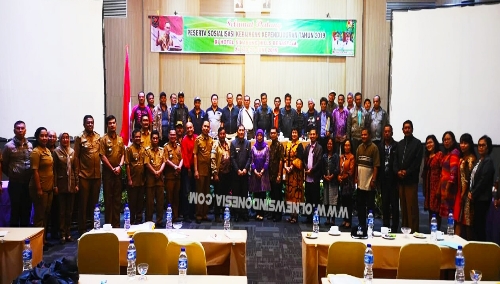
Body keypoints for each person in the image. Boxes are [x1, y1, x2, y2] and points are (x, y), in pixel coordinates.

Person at [2, 121, 33, 227]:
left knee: (26, 211)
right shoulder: (8, 146)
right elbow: (4, 165)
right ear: (14, 130)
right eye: (18, 128)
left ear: (25, 130)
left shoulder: (30, 145)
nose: (20, 130)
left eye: (22, 128)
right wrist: (13, 174)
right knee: (15, 211)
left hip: (27, 184)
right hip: (15, 184)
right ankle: (14, 238)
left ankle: (25, 238)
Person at [393, 120, 422, 234]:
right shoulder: (399, 144)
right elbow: (395, 161)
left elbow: (417, 162)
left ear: (412, 129)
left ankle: (414, 231)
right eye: (405, 128)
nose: (407, 129)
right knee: (403, 208)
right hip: (401, 181)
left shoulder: (417, 144)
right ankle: (405, 231)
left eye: (409, 128)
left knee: (412, 208)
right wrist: (397, 172)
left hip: (411, 181)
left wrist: (407, 172)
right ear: (402, 130)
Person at [74, 115, 101, 235]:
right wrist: (77, 174)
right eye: (88, 123)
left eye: (92, 122)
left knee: (94, 204)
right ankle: (82, 229)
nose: (90, 124)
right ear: (84, 124)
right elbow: (76, 157)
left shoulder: (98, 137)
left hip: (96, 176)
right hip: (84, 175)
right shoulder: (79, 138)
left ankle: (94, 227)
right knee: (83, 204)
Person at [29, 127, 55, 248]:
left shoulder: (47, 150)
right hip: (40, 189)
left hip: (49, 188)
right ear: (37, 137)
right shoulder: (36, 152)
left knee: (46, 215)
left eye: (46, 136)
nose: (45, 138)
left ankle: (43, 240)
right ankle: (37, 244)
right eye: (42, 136)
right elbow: (35, 172)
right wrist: (39, 189)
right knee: (39, 217)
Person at [99, 115, 125, 228]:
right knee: (108, 200)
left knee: (117, 200)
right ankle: (108, 225)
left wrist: (119, 166)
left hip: (118, 174)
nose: (112, 125)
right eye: (110, 123)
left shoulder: (120, 139)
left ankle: (117, 224)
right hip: (108, 174)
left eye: (114, 123)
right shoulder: (103, 139)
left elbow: (123, 155)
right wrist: (112, 168)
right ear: (107, 125)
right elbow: (102, 156)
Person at [53, 132, 78, 244]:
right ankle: (62, 234)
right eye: (63, 138)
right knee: (61, 211)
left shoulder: (72, 151)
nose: (65, 140)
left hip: (71, 184)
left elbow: (75, 169)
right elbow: (54, 170)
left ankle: (68, 233)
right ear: (60, 139)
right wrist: (55, 185)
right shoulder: (56, 152)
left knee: (70, 211)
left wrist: (77, 183)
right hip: (61, 184)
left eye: (67, 138)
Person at [469, 135, 495, 241]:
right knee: (476, 226)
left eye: (483, 145)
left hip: (482, 199)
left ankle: (481, 251)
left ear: (488, 147)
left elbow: (483, 181)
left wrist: (473, 193)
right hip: (477, 198)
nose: (480, 147)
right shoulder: (480, 160)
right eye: (479, 145)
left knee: (480, 226)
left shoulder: (488, 161)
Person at [354, 128, 380, 228]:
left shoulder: (374, 148)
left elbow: (376, 166)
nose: (363, 137)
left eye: (365, 135)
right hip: (360, 182)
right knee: (360, 206)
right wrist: (356, 177)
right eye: (362, 135)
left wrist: (373, 179)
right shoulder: (359, 148)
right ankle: (361, 224)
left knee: (370, 207)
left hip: (369, 183)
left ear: (369, 136)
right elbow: (357, 164)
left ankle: (370, 226)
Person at [378, 125, 399, 232]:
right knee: (385, 204)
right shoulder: (380, 146)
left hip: (394, 179)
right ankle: (385, 226)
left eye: (388, 131)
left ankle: (395, 227)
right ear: (383, 133)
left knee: (394, 204)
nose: (387, 133)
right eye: (385, 131)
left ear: (392, 133)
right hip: (383, 179)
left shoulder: (397, 146)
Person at [456, 133, 476, 240]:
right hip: (460, 191)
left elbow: (469, 179)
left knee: (467, 221)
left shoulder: (471, 159)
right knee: (460, 219)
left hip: (466, 194)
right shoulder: (463, 157)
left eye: (465, 143)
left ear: (470, 144)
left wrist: (463, 194)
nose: (463, 145)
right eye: (461, 143)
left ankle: (469, 245)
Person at [194, 121, 214, 223]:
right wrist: (196, 170)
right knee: (199, 193)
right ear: (202, 127)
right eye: (205, 126)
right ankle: (198, 215)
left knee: (207, 193)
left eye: (208, 127)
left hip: (208, 170)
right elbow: (195, 155)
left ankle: (205, 214)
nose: (206, 128)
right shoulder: (197, 140)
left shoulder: (211, 140)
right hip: (200, 171)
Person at [125, 129, 146, 225]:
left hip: (141, 180)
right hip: (132, 180)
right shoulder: (129, 149)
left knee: (140, 203)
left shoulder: (143, 149)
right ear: (133, 138)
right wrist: (129, 179)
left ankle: (139, 221)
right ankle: (132, 221)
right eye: (136, 137)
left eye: (139, 136)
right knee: (132, 203)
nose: (138, 138)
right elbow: (127, 165)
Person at [230, 125, 251, 222]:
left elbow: (249, 158)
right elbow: (232, 158)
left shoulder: (248, 143)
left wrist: (246, 169)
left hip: (245, 173)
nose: (241, 132)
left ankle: (244, 213)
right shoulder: (233, 143)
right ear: (237, 132)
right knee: (236, 194)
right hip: (236, 174)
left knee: (244, 194)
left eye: (243, 130)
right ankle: (237, 214)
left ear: (244, 132)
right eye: (240, 130)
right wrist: (237, 169)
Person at [249, 129, 271, 221]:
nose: (259, 137)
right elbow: (251, 160)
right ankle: (257, 212)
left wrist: (261, 171)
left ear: (263, 136)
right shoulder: (253, 148)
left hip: (263, 174)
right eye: (258, 135)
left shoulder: (266, 147)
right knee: (256, 194)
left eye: (261, 135)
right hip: (255, 174)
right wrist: (255, 171)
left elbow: (267, 160)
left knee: (262, 194)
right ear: (256, 136)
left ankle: (261, 213)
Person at [439, 131, 460, 225]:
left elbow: (453, 173)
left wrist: (447, 189)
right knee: (448, 218)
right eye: (444, 140)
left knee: (452, 217)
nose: (446, 141)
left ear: (453, 140)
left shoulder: (454, 153)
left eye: (448, 139)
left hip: (450, 190)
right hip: (444, 189)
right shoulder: (447, 154)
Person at [284, 128, 304, 224]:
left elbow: (300, 159)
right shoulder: (288, 144)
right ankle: (291, 215)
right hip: (288, 174)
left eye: (296, 132)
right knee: (289, 195)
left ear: (298, 134)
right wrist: (285, 167)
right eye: (293, 132)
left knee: (295, 195)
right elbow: (284, 157)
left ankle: (295, 216)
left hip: (296, 174)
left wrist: (291, 168)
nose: (294, 134)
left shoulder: (300, 145)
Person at [145, 131, 165, 225]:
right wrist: (155, 172)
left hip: (160, 179)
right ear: (151, 139)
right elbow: (147, 163)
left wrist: (159, 172)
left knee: (160, 202)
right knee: (149, 202)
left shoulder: (162, 150)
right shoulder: (147, 151)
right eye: (154, 138)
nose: (155, 140)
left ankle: (159, 220)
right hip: (150, 180)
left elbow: (164, 162)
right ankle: (149, 221)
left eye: (157, 138)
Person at [211, 127, 231, 222]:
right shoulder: (215, 145)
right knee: (218, 195)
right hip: (219, 174)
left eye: (224, 133)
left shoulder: (228, 144)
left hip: (227, 174)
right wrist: (215, 173)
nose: (222, 135)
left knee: (225, 195)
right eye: (221, 134)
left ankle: (224, 213)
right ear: (218, 135)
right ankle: (217, 215)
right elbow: (213, 160)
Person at [422, 135, 442, 230]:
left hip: (436, 187)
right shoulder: (427, 157)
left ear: (435, 143)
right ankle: (432, 232)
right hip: (428, 187)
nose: (429, 145)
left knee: (436, 211)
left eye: (431, 142)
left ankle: (437, 232)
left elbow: (443, 173)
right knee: (430, 211)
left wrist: (439, 189)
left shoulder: (439, 155)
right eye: (427, 143)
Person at [303, 128, 323, 224]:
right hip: (307, 177)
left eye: (314, 134)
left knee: (315, 198)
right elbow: (304, 160)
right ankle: (308, 217)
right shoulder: (307, 147)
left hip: (315, 177)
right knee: (308, 198)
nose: (312, 136)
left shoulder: (319, 148)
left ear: (317, 135)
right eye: (310, 134)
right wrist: (307, 168)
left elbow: (319, 162)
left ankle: (316, 217)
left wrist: (312, 170)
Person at [164, 129, 183, 222]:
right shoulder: (166, 147)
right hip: (169, 177)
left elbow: (182, 158)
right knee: (169, 198)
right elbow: (166, 160)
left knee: (176, 197)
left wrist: (179, 167)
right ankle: (169, 217)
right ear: (168, 136)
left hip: (177, 176)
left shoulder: (179, 146)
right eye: (171, 135)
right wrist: (175, 167)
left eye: (174, 135)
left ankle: (175, 216)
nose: (172, 136)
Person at [181, 122, 197, 223]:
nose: (189, 129)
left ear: (193, 128)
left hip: (195, 168)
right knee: (187, 192)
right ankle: (186, 215)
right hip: (187, 169)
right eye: (187, 128)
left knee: (194, 192)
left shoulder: (196, 138)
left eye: (191, 127)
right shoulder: (184, 140)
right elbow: (185, 156)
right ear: (185, 130)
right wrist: (189, 169)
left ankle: (192, 213)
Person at [322, 137, 339, 225]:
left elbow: (337, 168)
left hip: (333, 181)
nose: (329, 145)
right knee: (326, 200)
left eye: (331, 144)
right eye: (328, 144)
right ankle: (327, 218)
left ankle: (333, 219)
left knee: (333, 201)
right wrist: (324, 176)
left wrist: (332, 176)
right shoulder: (324, 156)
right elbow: (322, 168)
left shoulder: (336, 156)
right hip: (326, 181)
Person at [338, 140, 355, 228]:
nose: (347, 147)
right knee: (343, 202)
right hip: (342, 183)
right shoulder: (341, 157)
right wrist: (339, 177)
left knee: (348, 203)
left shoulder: (352, 157)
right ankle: (344, 219)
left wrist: (342, 177)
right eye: (345, 145)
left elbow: (351, 171)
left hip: (348, 183)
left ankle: (349, 220)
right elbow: (339, 168)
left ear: (351, 147)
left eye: (348, 145)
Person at [268, 127, 284, 222]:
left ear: (277, 134)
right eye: (271, 133)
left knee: (278, 196)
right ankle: (273, 213)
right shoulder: (271, 145)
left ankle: (278, 215)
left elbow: (281, 160)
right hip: (271, 175)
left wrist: (279, 174)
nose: (273, 134)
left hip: (277, 175)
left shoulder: (279, 145)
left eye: (274, 133)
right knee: (273, 195)